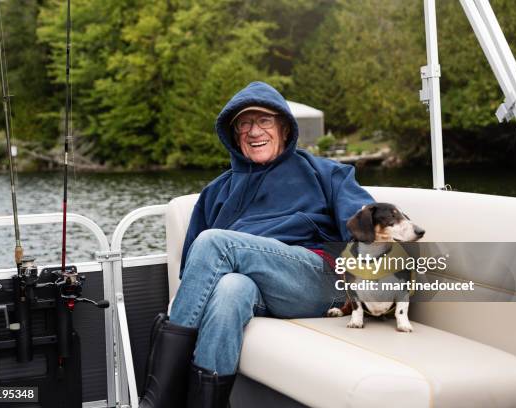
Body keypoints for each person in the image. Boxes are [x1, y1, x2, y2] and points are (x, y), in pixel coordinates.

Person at [140, 81, 374, 408]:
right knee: (230, 290)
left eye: (264, 120)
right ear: (234, 135)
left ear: (283, 127)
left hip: (318, 280)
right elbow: (193, 269)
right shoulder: (215, 193)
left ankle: (157, 402)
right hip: (258, 291)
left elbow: (365, 225)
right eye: (244, 124)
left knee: (216, 243)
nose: (254, 131)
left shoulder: (326, 173)